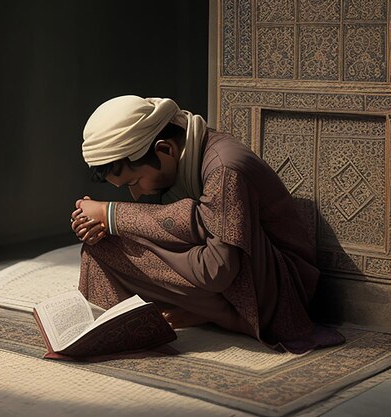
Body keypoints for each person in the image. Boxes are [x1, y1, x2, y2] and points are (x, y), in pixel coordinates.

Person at [70, 95, 344, 353]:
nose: (136, 194)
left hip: (276, 291)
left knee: (120, 225)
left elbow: (217, 270)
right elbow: (186, 224)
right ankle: (206, 313)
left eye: (134, 182)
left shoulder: (225, 169)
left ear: (164, 149)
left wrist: (114, 214)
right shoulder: (183, 153)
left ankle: (221, 316)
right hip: (224, 269)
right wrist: (106, 224)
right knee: (102, 246)